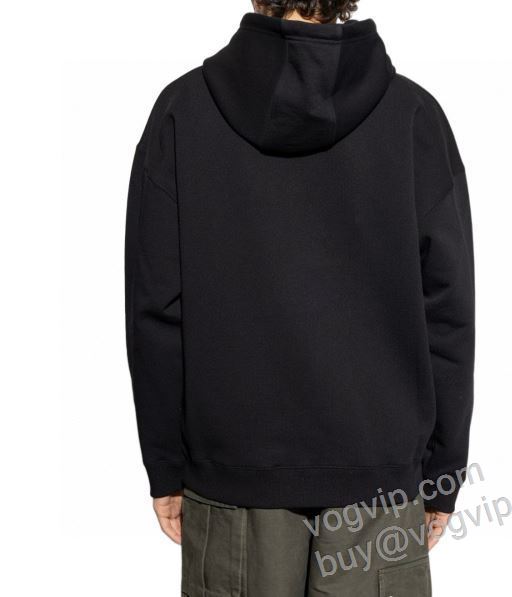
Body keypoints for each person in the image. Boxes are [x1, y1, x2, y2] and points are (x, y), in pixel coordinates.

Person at [125, 0, 475, 594]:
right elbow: (448, 309)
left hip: (233, 471)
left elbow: (156, 306)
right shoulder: (413, 115)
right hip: (379, 473)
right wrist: (443, 470)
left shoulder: (184, 111)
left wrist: (165, 463)